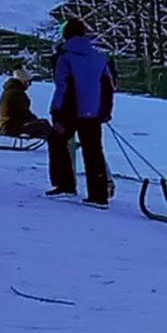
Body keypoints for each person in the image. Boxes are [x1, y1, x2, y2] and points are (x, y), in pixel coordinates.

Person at [47, 18, 115, 207]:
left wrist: (56, 111)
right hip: (92, 112)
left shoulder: (65, 56)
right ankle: (98, 194)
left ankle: (65, 184)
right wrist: (106, 110)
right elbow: (108, 86)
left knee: (57, 141)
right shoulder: (99, 57)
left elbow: (62, 85)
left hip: (69, 109)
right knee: (94, 151)